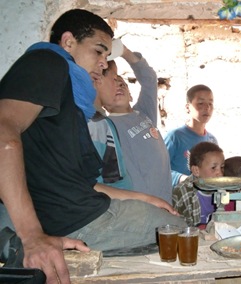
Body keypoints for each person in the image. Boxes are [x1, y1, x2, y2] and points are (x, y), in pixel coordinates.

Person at [0, 9, 184, 283]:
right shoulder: (47, 61)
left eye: (107, 55)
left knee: (169, 221)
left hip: (82, 207)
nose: (103, 62)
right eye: (98, 51)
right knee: (175, 231)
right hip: (72, 219)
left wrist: (144, 198)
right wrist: (32, 236)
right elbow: (3, 134)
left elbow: (83, 183)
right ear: (68, 42)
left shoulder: (70, 103)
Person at [88, 39, 172, 203]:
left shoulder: (144, 114)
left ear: (131, 95)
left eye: (122, 83)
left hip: (166, 198)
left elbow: (149, 79)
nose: (119, 86)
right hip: (142, 203)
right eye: (114, 82)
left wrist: (125, 52)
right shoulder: (106, 126)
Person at [164, 84, 218, 187]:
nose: (207, 108)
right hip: (178, 198)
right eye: (201, 103)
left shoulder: (212, 141)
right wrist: (184, 179)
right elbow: (158, 170)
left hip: (203, 197)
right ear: (188, 107)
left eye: (210, 103)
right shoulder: (175, 137)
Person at [172, 141, 225, 227]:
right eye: (213, 167)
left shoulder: (224, 190)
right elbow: (177, 227)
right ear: (196, 171)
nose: (220, 173)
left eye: (222, 167)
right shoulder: (182, 193)